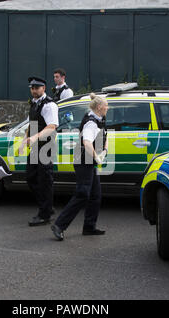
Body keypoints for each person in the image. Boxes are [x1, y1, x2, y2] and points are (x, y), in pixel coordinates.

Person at [51, 93, 108, 241]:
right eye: (106, 105)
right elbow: (87, 143)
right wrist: (96, 156)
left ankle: (89, 227)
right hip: (83, 161)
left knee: (95, 195)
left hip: (90, 161)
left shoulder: (99, 118)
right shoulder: (91, 122)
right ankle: (59, 225)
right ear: (100, 107)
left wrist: (105, 151)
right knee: (83, 193)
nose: (107, 107)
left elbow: (104, 135)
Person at [19, 76, 59, 226]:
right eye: (32, 87)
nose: (34, 90)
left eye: (37, 87)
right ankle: (47, 206)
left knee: (44, 181)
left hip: (46, 147)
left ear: (44, 88)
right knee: (30, 177)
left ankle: (45, 215)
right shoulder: (35, 104)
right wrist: (25, 140)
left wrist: (35, 137)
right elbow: (32, 123)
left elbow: (52, 126)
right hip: (36, 146)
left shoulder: (49, 105)